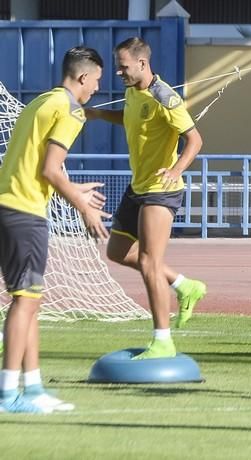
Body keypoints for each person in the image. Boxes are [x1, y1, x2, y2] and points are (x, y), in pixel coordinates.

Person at [0, 47, 109, 413]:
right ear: (82, 77)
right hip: (23, 211)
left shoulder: (42, 102)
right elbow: (49, 169)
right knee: (25, 301)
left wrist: (75, 190)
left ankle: (31, 389)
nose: (96, 88)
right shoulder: (71, 111)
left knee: (30, 300)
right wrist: (83, 209)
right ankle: (6, 394)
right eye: (96, 81)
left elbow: (39, 164)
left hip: (10, 206)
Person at [85, 37, 205, 360]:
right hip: (137, 187)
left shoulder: (166, 97)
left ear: (141, 63)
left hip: (161, 191)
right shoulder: (132, 92)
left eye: (123, 66)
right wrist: (98, 116)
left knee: (150, 262)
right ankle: (184, 285)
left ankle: (163, 340)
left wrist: (176, 167)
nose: (118, 72)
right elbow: (130, 116)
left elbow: (194, 140)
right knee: (117, 251)